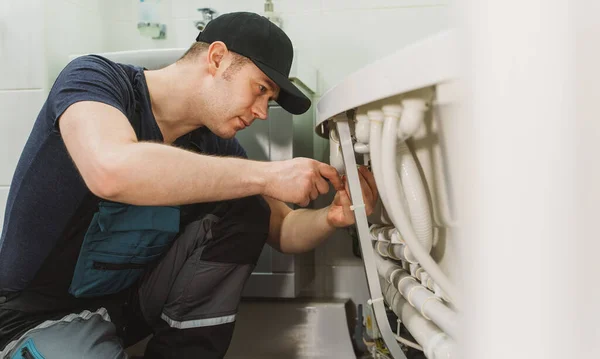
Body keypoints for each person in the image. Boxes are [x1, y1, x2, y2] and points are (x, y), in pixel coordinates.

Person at [0, 11, 377, 359]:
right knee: (245, 189)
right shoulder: (95, 81)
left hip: (122, 309)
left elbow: (281, 227)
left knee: (248, 208)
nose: (263, 112)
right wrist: (269, 175)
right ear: (217, 58)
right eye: (261, 89)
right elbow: (112, 170)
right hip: (35, 316)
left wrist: (331, 217)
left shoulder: (212, 143)